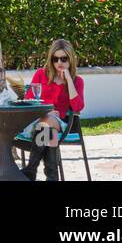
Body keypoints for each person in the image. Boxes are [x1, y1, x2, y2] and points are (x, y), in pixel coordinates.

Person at [17, 38, 85, 181]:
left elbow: (78, 107)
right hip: (38, 120)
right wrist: (45, 111)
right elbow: (29, 100)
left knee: (48, 124)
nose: (59, 63)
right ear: (51, 59)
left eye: (63, 59)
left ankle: (31, 170)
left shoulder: (77, 81)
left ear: (70, 59)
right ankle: (52, 176)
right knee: (47, 128)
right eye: (55, 59)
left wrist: (69, 80)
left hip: (61, 122)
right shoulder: (41, 74)